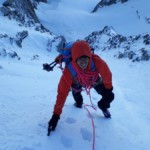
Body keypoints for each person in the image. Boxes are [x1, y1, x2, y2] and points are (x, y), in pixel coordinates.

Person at [47, 40, 114, 135]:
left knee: (110, 96)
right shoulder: (69, 70)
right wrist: (56, 115)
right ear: (74, 59)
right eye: (80, 60)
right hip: (77, 80)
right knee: (77, 97)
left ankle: (103, 106)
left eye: (85, 59)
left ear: (89, 57)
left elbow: (107, 75)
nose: (83, 63)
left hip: (93, 80)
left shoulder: (97, 62)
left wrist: (108, 90)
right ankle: (79, 103)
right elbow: (62, 93)